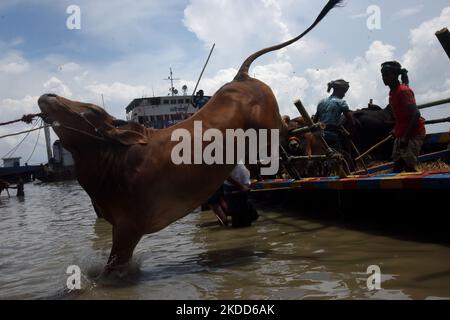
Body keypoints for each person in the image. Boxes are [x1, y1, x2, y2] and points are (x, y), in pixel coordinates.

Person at [381, 61, 426, 173]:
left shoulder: (403, 91)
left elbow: (416, 114)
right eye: (383, 75)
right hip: (402, 132)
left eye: (387, 74)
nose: (384, 78)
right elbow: (400, 116)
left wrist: (406, 137)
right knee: (397, 166)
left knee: (408, 167)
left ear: (396, 75)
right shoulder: (392, 93)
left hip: (413, 133)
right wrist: (396, 129)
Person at [315, 79, 355, 151]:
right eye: (343, 92)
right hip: (332, 135)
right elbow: (352, 121)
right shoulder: (341, 102)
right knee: (343, 153)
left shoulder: (321, 102)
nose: (344, 95)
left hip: (320, 136)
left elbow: (314, 121)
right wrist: (350, 134)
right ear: (339, 90)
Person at [223, 163, 258, 228]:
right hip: (234, 188)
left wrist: (248, 182)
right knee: (237, 218)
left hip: (244, 188)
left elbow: (242, 169)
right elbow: (225, 175)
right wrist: (241, 186)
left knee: (248, 217)